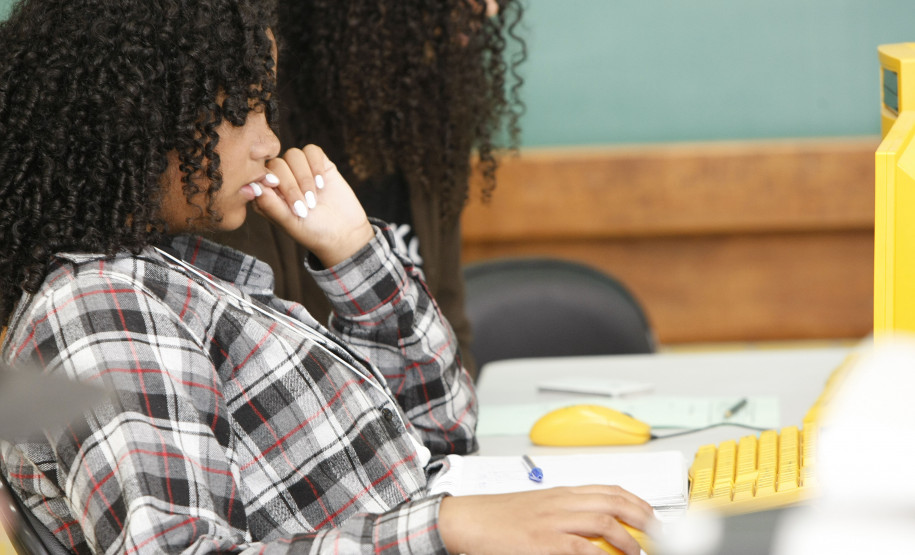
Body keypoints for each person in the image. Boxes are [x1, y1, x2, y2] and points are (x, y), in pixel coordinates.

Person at [0, 1, 654, 553]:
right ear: (143, 121)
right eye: (245, 113)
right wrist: (443, 526)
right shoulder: (100, 309)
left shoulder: (192, 281)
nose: (268, 143)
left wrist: (354, 252)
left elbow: (445, 430)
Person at [219, 0, 527, 378]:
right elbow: (261, 370)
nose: (491, 9)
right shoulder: (248, 144)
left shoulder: (429, 119)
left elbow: (451, 334)